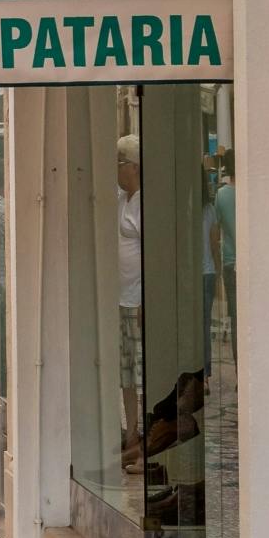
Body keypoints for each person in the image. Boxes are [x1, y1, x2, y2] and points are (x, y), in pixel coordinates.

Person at [117, 133, 144, 459]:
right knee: (124, 372)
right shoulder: (122, 198)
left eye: (119, 164)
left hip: (134, 302)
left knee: (137, 372)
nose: (116, 170)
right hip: (120, 299)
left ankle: (140, 436)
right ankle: (132, 433)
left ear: (133, 167)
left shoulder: (141, 203)